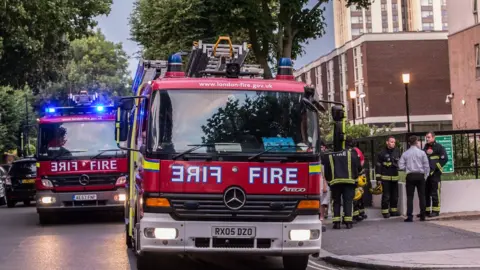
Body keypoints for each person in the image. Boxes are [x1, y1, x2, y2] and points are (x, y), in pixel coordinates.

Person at [322, 137, 363, 229]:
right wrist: (355, 178)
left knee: (336, 201)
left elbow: (326, 170)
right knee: (348, 201)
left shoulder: (330, 155)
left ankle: (336, 223)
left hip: (335, 182)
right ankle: (348, 222)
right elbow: (358, 167)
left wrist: (329, 181)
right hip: (349, 182)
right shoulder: (352, 154)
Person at [398, 135, 430, 222]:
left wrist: (408, 169)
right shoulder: (422, 153)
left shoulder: (405, 153)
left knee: (409, 197)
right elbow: (426, 166)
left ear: (409, 143)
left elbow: (400, 165)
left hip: (410, 176)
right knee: (422, 196)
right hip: (420, 176)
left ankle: (409, 216)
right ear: (416, 142)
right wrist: (425, 175)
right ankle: (423, 216)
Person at [422, 131, 448, 217]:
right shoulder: (425, 147)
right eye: (426, 137)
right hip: (427, 174)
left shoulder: (439, 147)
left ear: (433, 137)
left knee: (434, 192)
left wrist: (435, 167)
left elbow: (444, 159)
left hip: (435, 174)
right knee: (426, 192)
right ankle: (427, 211)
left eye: (429, 137)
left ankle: (435, 211)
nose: (427, 139)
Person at [375, 136, 401, 218]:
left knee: (395, 195)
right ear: (387, 142)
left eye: (394, 142)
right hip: (385, 178)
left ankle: (393, 211)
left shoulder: (397, 151)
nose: (393, 143)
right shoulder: (382, 153)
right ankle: (385, 212)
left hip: (395, 177)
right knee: (386, 196)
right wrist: (378, 179)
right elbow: (378, 166)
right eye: (391, 142)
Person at [319, 140, 330, 220]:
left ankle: (323, 215)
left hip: (324, 181)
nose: (320, 149)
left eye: (322, 147)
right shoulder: (317, 158)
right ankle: (322, 215)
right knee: (323, 199)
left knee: (324, 199)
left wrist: (325, 184)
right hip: (321, 181)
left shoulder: (326, 157)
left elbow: (324, 173)